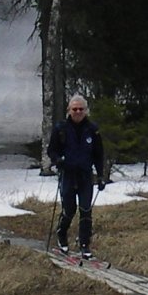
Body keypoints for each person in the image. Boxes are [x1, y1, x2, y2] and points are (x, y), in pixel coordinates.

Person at [46, 94, 107, 256]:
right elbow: (51, 150)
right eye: (75, 109)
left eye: (81, 109)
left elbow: (99, 155)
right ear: (69, 110)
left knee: (86, 209)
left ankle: (85, 244)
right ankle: (62, 235)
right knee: (69, 209)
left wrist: (101, 176)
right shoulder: (61, 129)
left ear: (86, 111)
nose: (78, 112)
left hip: (86, 175)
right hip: (67, 174)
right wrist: (57, 160)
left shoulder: (93, 130)